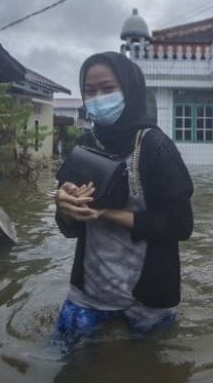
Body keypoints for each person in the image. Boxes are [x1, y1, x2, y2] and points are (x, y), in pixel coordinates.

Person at [53, 52, 194, 348]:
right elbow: (69, 229)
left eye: (107, 89)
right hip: (90, 292)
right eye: (90, 91)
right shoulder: (85, 144)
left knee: (150, 363)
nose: (97, 99)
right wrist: (64, 207)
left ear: (130, 89)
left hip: (148, 298)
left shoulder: (156, 147)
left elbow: (180, 224)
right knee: (63, 356)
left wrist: (106, 213)